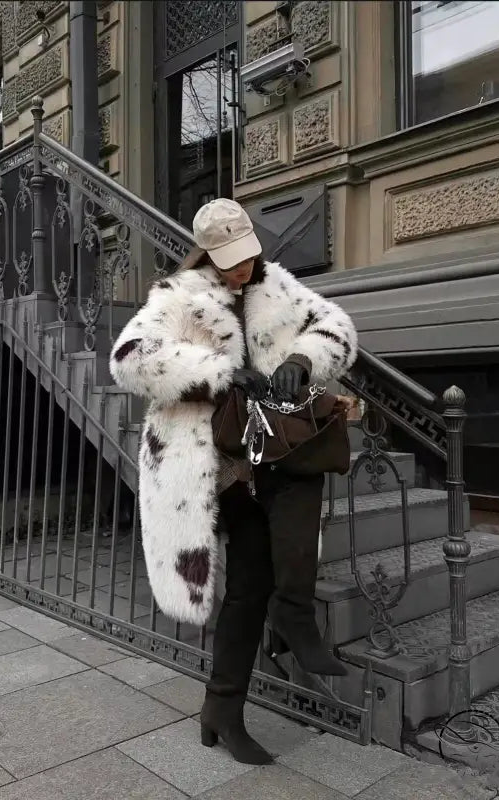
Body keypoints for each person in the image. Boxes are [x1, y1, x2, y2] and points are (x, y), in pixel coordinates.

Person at [110, 198, 358, 765]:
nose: (239, 268)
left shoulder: (281, 287)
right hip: (216, 462)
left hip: (274, 449)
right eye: (227, 259)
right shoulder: (179, 297)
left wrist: (302, 357)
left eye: (245, 255)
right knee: (247, 588)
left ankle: (257, 662)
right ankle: (229, 703)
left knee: (280, 540)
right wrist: (218, 372)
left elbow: (336, 327)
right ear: (207, 254)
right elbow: (129, 358)